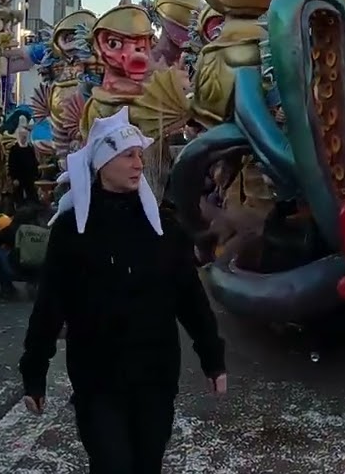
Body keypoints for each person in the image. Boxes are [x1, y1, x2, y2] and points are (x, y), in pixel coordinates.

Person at [19, 108, 227, 473]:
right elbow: (50, 303)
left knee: (147, 464)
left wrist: (212, 357)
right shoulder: (72, 231)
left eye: (139, 156)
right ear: (103, 163)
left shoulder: (163, 227)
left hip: (155, 376)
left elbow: (191, 299)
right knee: (112, 464)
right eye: (128, 155)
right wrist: (34, 372)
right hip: (97, 378)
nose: (138, 164)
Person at [8, 124, 40, 207]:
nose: (23, 138)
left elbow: (34, 162)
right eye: (22, 136)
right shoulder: (14, 149)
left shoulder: (29, 148)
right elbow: (11, 164)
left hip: (29, 177)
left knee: (32, 195)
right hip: (18, 177)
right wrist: (14, 178)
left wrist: (36, 174)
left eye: (25, 136)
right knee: (18, 196)